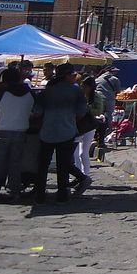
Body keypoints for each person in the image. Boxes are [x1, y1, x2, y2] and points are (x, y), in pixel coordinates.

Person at [32, 64, 89, 203]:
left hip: (47, 132)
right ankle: (62, 194)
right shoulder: (76, 92)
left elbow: (37, 111)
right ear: (67, 76)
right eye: (73, 75)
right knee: (63, 165)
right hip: (67, 131)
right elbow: (81, 112)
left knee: (43, 165)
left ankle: (40, 194)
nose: (75, 78)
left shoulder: (47, 91)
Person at [0, 66, 34, 204]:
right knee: (15, 164)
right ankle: (13, 191)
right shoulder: (29, 92)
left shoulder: (2, 92)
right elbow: (34, 111)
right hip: (21, 131)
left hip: (2, 131)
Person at [73, 75, 104, 186]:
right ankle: (79, 175)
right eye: (82, 86)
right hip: (78, 125)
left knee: (83, 152)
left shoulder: (97, 97)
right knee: (75, 152)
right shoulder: (80, 95)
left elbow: (98, 111)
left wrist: (86, 108)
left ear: (90, 87)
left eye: (85, 86)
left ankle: (86, 175)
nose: (83, 88)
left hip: (89, 126)